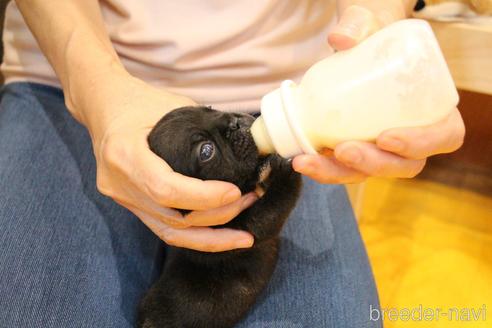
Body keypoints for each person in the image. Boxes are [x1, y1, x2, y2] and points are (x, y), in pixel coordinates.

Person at [0, 0, 464, 327]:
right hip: (66, 82)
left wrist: (377, 28)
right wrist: (95, 89)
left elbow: (376, 14)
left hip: (287, 101)